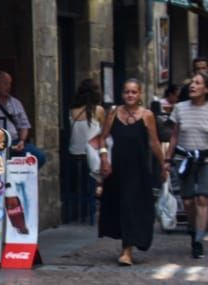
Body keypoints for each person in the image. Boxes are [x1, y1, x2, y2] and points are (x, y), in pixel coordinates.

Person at [97, 78, 166, 266]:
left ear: (140, 94)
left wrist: (163, 164)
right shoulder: (113, 113)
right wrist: (104, 157)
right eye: (127, 92)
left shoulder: (147, 115)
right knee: (121, 207)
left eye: (134, 92)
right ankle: (125, 247)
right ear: (122, 94)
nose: (130, 95)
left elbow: (154, 143)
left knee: (133, 207)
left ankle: (127, 250)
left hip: (138, 169)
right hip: (117, 169)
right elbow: (102, 139)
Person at [170, 71, 208, 258]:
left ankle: (198, 241)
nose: (193, 86)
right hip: (184, 159)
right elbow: (174, 136)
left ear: (207, 89)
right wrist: (166, 159)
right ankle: (193, 229)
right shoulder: (179, 108)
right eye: (192, 82)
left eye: (197, 83)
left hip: (207, 159)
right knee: (188, 201)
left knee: (203, 199)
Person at [0, 69, 48, 167]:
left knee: (39, 156)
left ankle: (21, 180)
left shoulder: (15, 103)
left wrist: (22, 141)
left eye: (10, 84)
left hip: (14, 142)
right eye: (5, 83)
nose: (8, 87)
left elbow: (24, 125)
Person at [65, 78, 106, 224]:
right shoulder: (98, 110)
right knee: (93, 182)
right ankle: (92, 209)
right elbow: (104, 131)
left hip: (75, 152)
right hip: (92, 154)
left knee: (78, 185)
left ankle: (79, 212)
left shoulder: (72, 110)